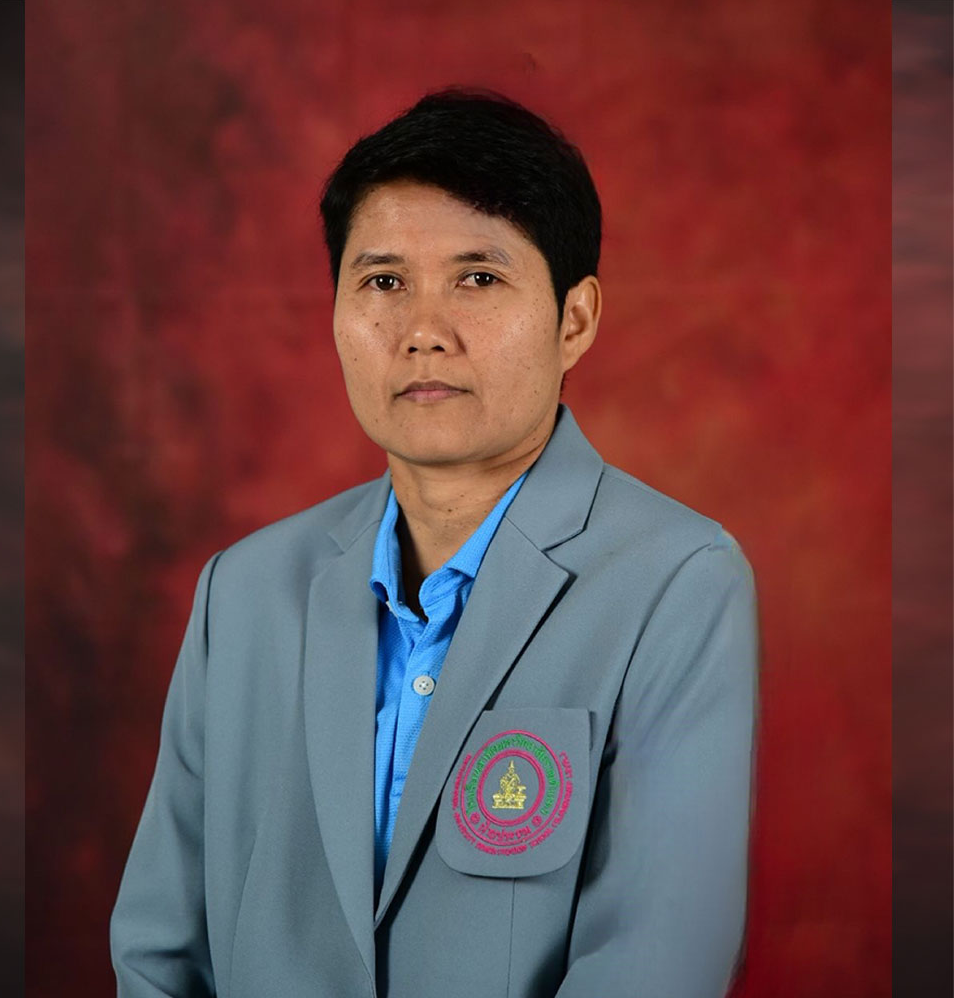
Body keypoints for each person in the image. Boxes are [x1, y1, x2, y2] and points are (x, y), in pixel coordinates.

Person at [110, 88, 758, 998]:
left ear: (575, 319)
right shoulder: (244, 593)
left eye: (478, 278)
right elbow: (158, 951)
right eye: (383, 282)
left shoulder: (675, 583)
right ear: (336, 311)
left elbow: (656, 964)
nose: (422, 332)